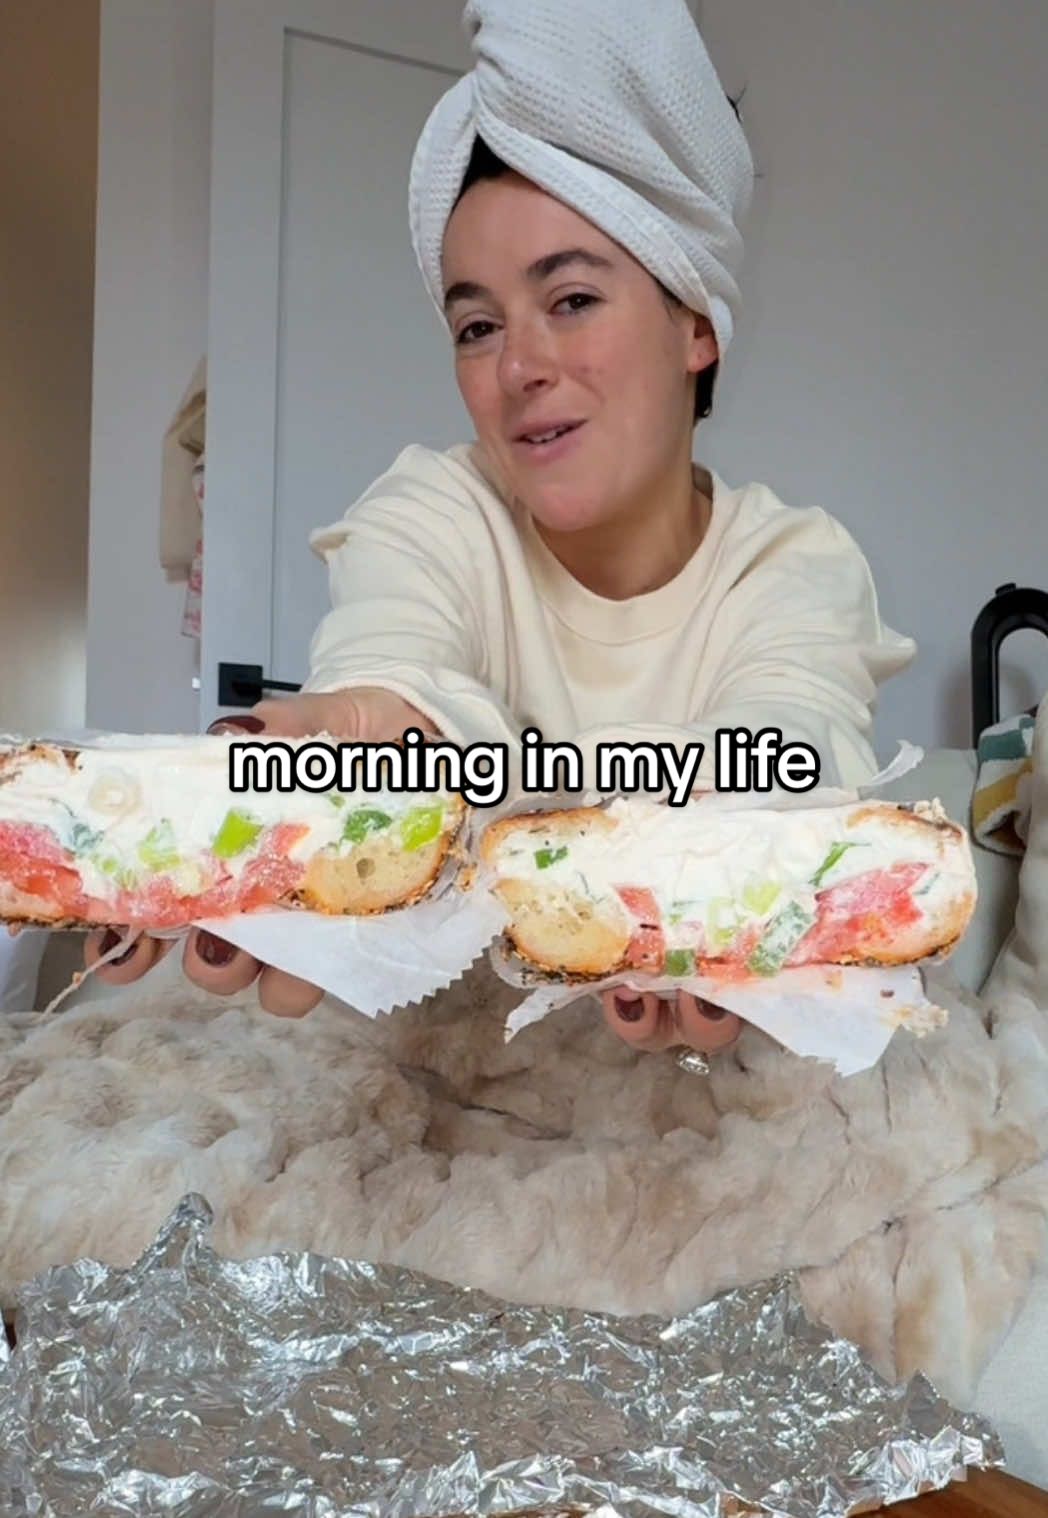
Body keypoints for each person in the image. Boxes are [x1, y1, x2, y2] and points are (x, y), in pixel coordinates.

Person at [82, 0, 915, 1055]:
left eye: (571, 300)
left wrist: (722, 848)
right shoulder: (435, 513)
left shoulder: (793, 566)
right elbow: (397, 666)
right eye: (477, 326)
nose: (517, 366)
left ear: (695, 323)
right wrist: (381, 743)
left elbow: (788, 746)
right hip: (457, 1086)